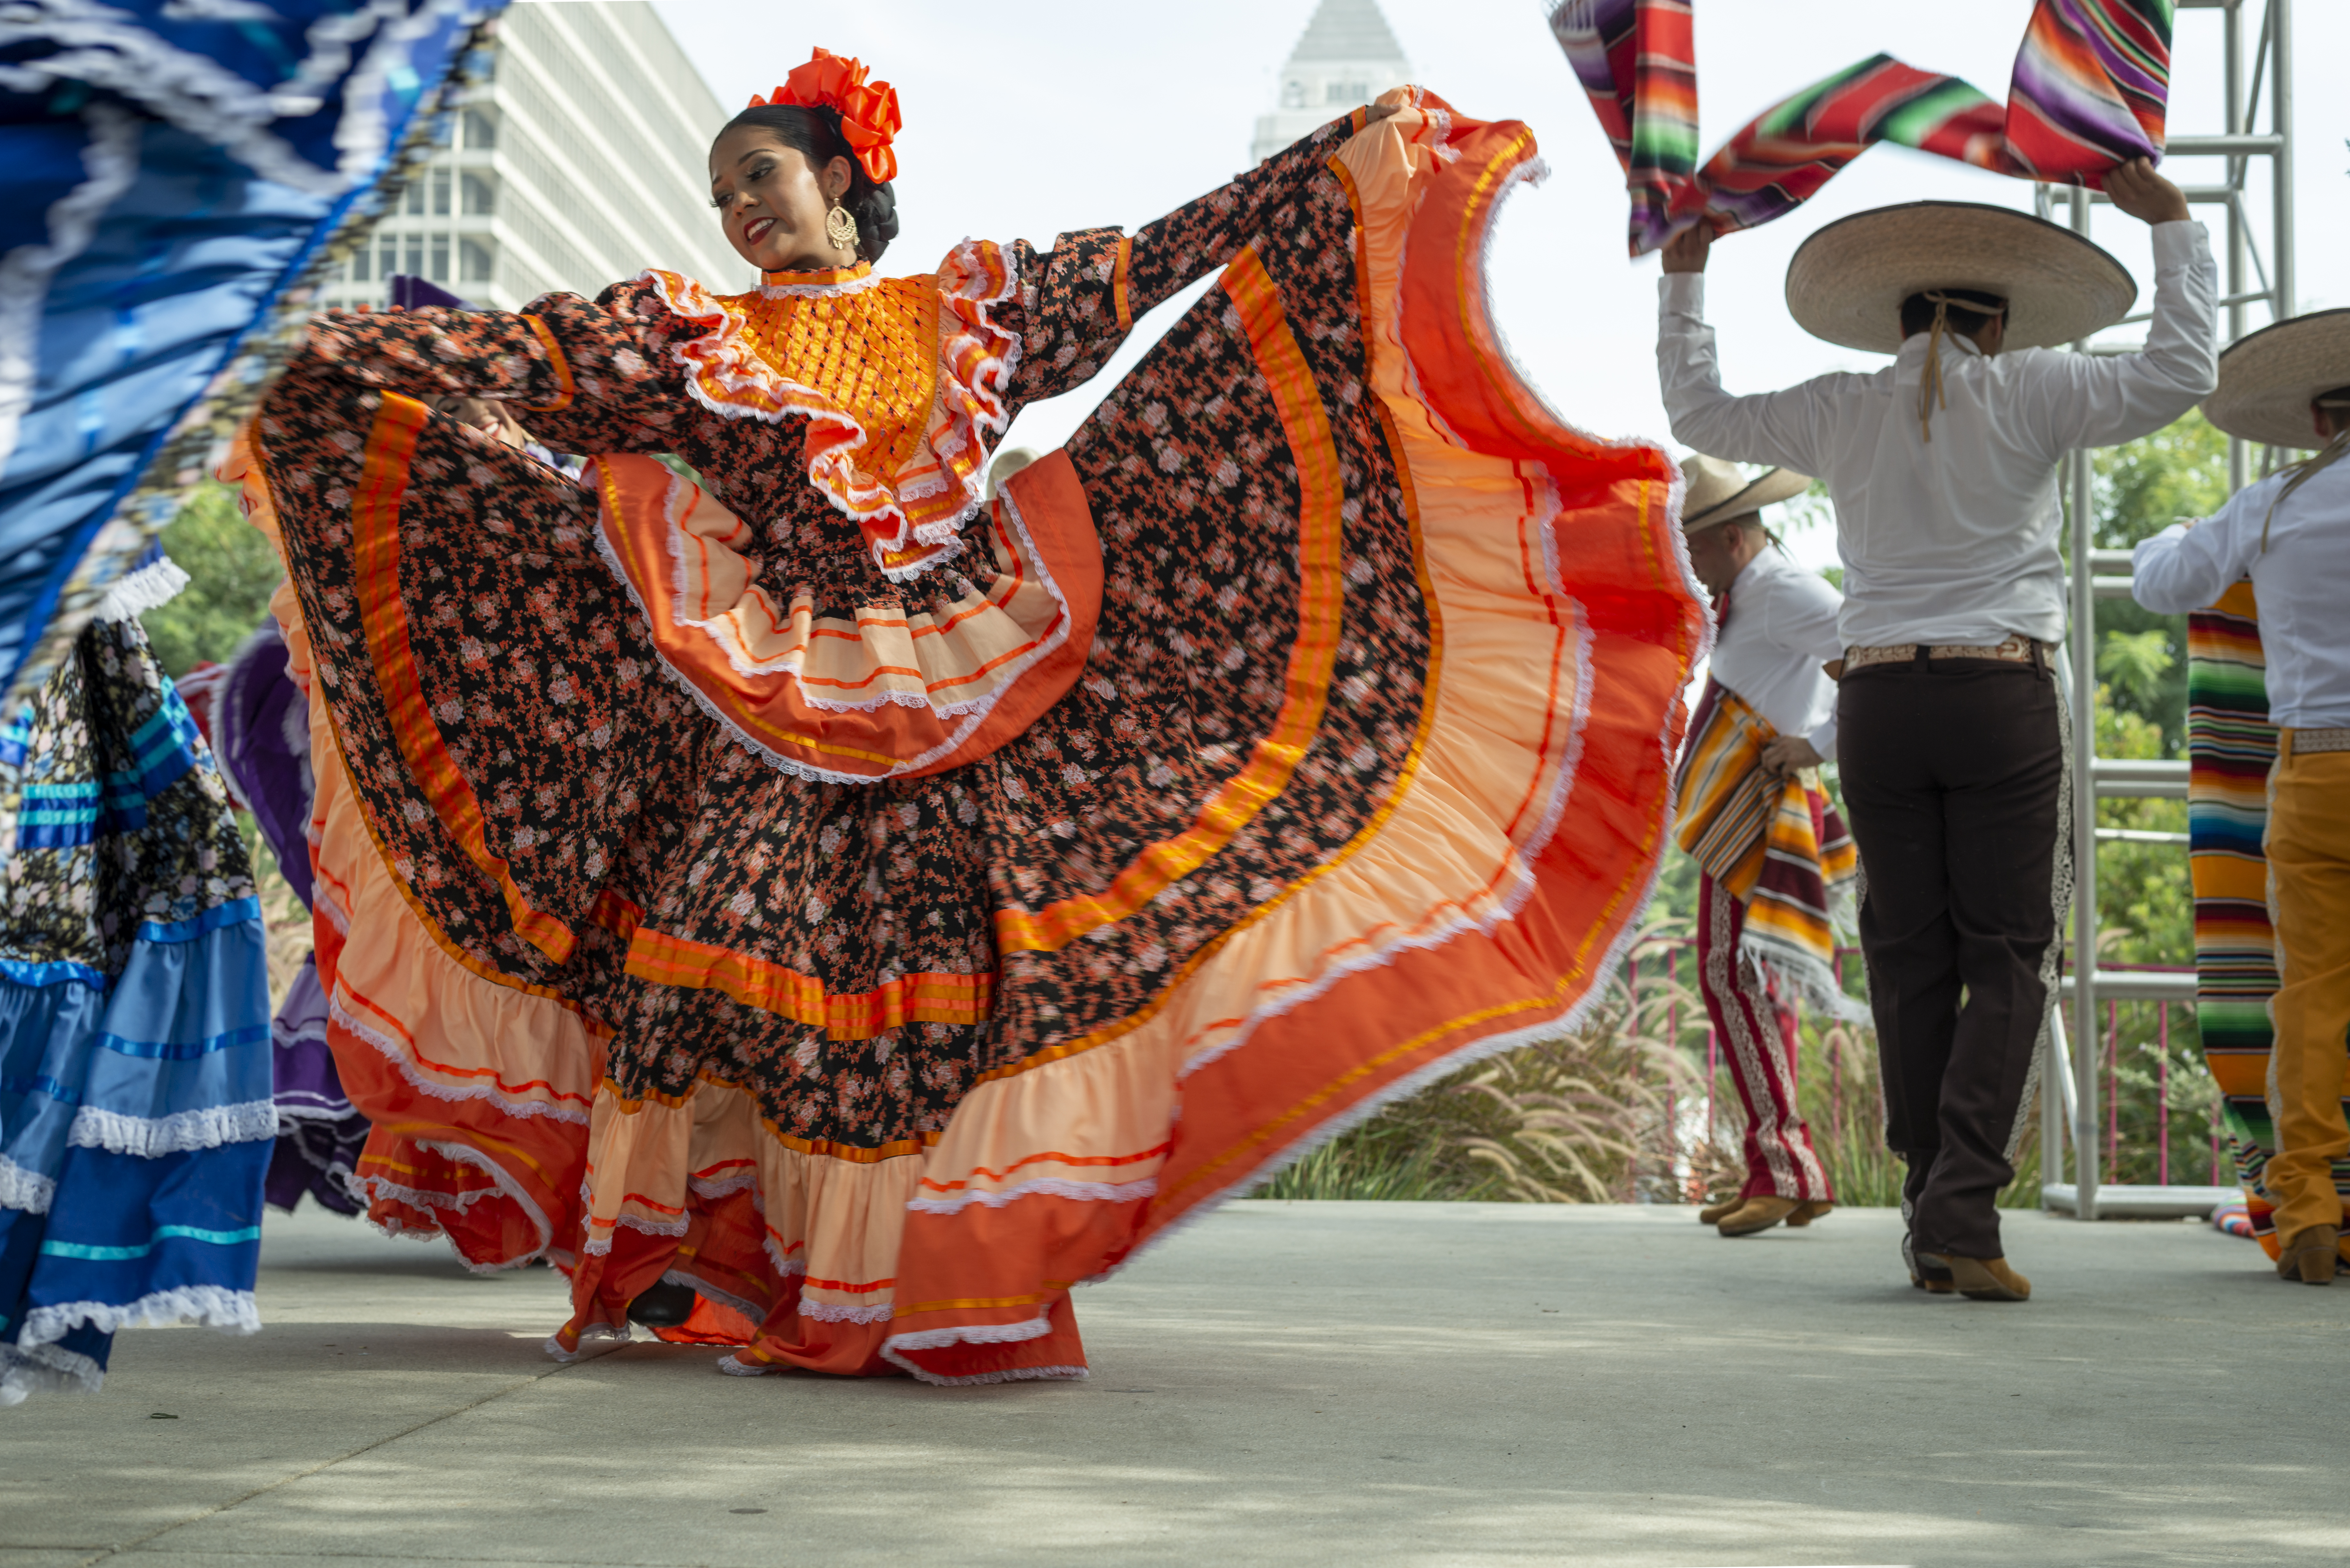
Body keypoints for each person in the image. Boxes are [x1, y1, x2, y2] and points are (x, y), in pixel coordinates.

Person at [245, 53, 1708, 1382]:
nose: (737, 205)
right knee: (704, 948)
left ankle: (880, 1281)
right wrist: (310, 351)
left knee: (915, 982)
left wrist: (1327, 159)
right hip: (769, 684)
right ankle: (702, 1255)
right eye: (719, 190)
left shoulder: (965, 310)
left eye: (759, 173)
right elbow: (516, 362)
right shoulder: (684, 334)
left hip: (962, 679)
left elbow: (1152, 261)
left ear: (839, 177)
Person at [1657, 164, 2217, 1301]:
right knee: (2008, 954)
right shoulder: (2038, 388)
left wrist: (1686, 275)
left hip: (1878, 702)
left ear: (1903, 322)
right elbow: (2181, 371)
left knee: (1910, 954)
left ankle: (1928, 1214)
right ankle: (1961, 1211)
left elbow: (1699, 415)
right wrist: (2172, 226)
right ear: (1997, 325)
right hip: (2000, 696)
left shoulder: (1842, 404)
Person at [2130, 309, 2350, 1285]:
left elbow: (2162, 584)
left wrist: (2177, 533)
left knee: (2311, 997)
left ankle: (2308, 1208)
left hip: (2316, 769)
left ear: (2318, 422)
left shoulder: (2269, 507)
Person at [1670, 456, 1855, 1238]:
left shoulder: (1780, 590)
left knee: (1733, 977)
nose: (1686, 560)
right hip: (1748, 806)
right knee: (1745, 982)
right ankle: (1779, 1168)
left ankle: (1782, 1167)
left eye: (1691, 544)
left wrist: (1816, 742)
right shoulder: (1748, 594)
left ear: (1730, 537)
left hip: (1760, 807)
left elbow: (1866, 661)